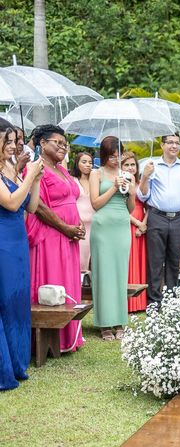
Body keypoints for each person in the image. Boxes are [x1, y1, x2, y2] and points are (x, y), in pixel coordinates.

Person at [26, 125, 85, 353]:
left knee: (69, 281)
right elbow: (38, 205)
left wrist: (77, 226)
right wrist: (64, 227)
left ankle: (71, 336)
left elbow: (71, 199)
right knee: (54, 281)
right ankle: (54, 340)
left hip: (70, 235)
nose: (62, 146)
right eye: (57, 142)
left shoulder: (62, 169)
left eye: (64, 143)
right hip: (51, 233)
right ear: (42, 143)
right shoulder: (35, 168)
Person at [0, 124, 43, 390]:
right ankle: (4, 369)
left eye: (15, 140)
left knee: (16, 302)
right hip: (2, 243)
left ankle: (17, 364)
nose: (13, 145)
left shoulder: (10, 168)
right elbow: (11, 202)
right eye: (7, 140)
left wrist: (34, 179)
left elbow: (32, 206)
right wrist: (28, 177)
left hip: (18, 243)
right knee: (3, 302)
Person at [137, 133, 180, 305]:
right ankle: (154, 303)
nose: (173, 146)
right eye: (170, 142)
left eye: (177, 143)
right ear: (162, 145)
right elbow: (142, 196)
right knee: (155, 261)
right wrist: (145, 176)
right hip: (157, 217)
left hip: (179, 218)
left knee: (174, 261)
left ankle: (171, 301)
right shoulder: (151, 165)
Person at [90, 138, 135, 340]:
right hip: (102, 227)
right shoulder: (96, 174)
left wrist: (131, 192)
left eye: (119, 155)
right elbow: (95, 204)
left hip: (121, 225)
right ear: (104, 155)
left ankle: (120, 321)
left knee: (119, 274)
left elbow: (131, 208)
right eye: (111, 156)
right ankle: (104, 323)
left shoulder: (127, 175)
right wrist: (113, 187)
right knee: (103, 274)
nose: (116, 159)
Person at [122, 152, 147, 312]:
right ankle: (128, 303)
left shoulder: (141, 182)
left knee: (141, 261)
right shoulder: (121, 182)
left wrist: (144, 224)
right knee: (129, 261)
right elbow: (121, 207)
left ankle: (140, 302)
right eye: (126, 165)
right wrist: (137, 222)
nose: (130, 168)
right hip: (127, 221)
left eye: (133, 165)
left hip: (142, 225)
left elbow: (151, 203)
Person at [70, 151, 95, 274]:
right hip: (79, 226)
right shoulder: (71, 181)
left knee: (92, 261)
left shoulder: (96, 181)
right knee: (79, 261)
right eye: (84, 162)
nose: (88, 165)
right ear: (77, 163)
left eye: (90, 162)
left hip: (95, 226)